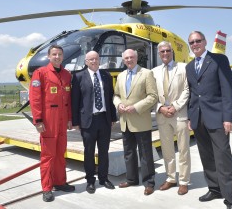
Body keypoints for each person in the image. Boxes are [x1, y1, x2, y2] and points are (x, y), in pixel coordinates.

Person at [186, 31, 232, 209]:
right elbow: (193, 94)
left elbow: (228, 90)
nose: (195, 44)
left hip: (217, 117)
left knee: (223, 159)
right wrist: (189, 117)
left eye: (198, 41)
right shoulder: (190, 66)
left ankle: (231, 198)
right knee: (206, 157)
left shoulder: (219, 60)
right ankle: (214, 189)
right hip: (198, 118)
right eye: (192, 42)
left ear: (205, 41)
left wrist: (228, 118)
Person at [29, 45, 75, 202]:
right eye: (54, 54)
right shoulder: (40, 73)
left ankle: (60, 182)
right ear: (49, 56)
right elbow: (35, 99)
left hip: (62, 120)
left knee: (60, 154)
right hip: (48, 120)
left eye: (60, 54)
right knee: (48, 156)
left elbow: (68, 100)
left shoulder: (67, 75)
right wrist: (38, 120)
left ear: (63, 57)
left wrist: (69, 119)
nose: (57, 57)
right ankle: (47, 188)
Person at [113, 49, 158, 196]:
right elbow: (116, 95)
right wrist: (118, 104)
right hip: (125, 121)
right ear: (123, 60)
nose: (129, 60)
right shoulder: (121, 76)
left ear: (137, 58)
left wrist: (136, 107)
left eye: (131, 57)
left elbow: (153, 96)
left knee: (145, 154)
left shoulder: (146, 73)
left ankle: (149, 182)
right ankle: (131, 179)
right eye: (126, 58)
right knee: (129, 152)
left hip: (140, 120)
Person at [71, 51, 117, 194]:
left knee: (104, 151)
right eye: (91, 59)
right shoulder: (78, 77)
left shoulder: (106, 75)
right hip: (88, 121)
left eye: (96, 59)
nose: (94, 61)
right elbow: (75, 101)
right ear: (86, 61)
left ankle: (103, 178)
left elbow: (110, 98)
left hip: (104, 119)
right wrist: (76, 121)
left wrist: (113, 117)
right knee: (89, 152)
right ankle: (90, 180)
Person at [151, 41, 191, 195]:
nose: (165, 53)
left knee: (183, 150)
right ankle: (170, 178)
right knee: (167, 150)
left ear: (172, 51)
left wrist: (175, 106)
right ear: (159, 54)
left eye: (168, 50)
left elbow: (187, 90)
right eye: (162, 52)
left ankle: (184, 181)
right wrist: (160, 108)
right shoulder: (154, 72)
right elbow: (152, 94)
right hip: (162, 115)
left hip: (179, 114)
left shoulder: (183, 67)